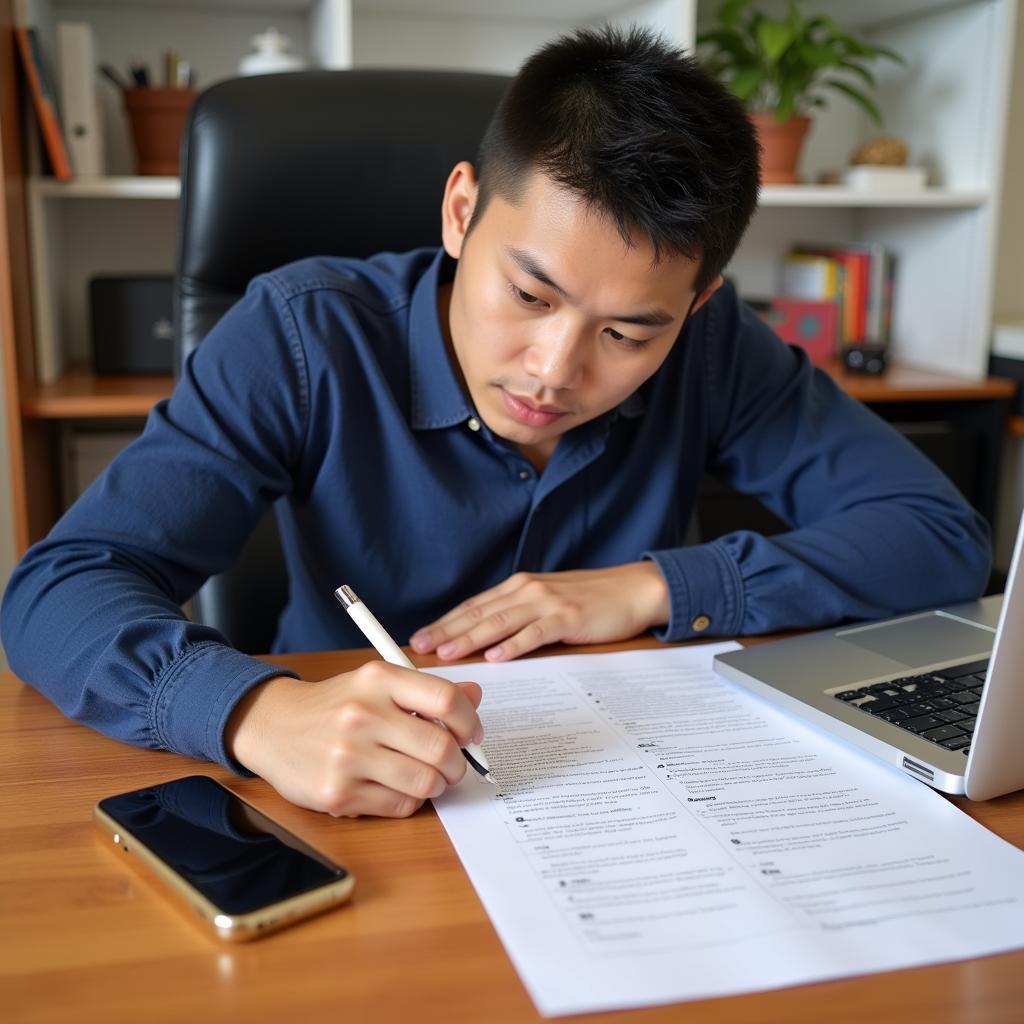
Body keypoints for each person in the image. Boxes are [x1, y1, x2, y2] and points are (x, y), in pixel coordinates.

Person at [1, 27, 990, 820]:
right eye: (527, 292)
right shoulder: (302, 334)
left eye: (627, 332)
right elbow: (57, 588)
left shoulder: (715, 343)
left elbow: (937, 532)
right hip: (355, 785)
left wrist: (653, 585)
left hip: (639, 793)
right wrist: (256, 711)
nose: (553, 371)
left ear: (694, 307)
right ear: (461, 211)